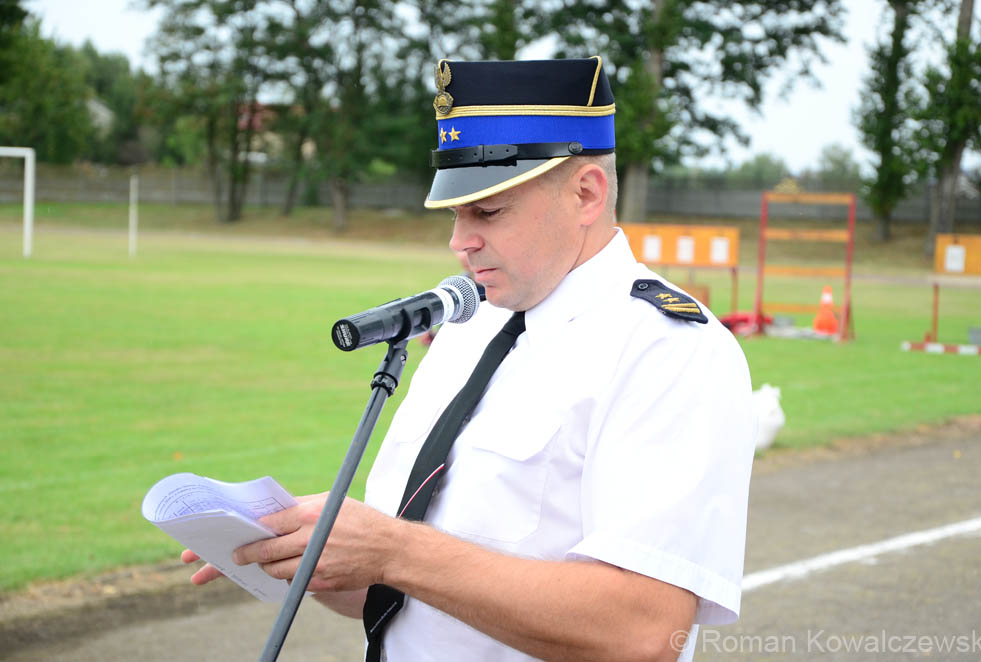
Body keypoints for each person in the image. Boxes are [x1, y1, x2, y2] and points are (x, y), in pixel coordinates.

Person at [184, 56, 755, 661]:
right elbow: (396, 592)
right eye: (456, 213)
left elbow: (643, 631)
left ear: (586, 193)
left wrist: (392, 550)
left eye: (488, 211)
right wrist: (307, 548)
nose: (460, 242)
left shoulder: (668, 349)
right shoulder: (470, 325)